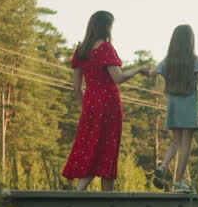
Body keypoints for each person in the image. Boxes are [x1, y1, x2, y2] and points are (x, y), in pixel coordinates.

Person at [61, 11, 153, 191]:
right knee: (107, 149)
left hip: (90, 104)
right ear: (106, 27)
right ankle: (106, 199)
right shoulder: (105, 48)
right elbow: (117, 78)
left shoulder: (81, 51)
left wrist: (84, 107)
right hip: (108, 103)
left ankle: (81, 190)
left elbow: (76, 87)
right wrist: (139, 69)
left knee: (90, 145)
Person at [152, 24, 198, 193]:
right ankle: (178, 183)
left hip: (173, 106)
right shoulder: (193, 60)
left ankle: (163, 166)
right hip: (188, 106)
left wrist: (140, 70)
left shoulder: (167, 60)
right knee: (186, 144)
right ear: (190, 41)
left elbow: (152, 73)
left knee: (176, 142)